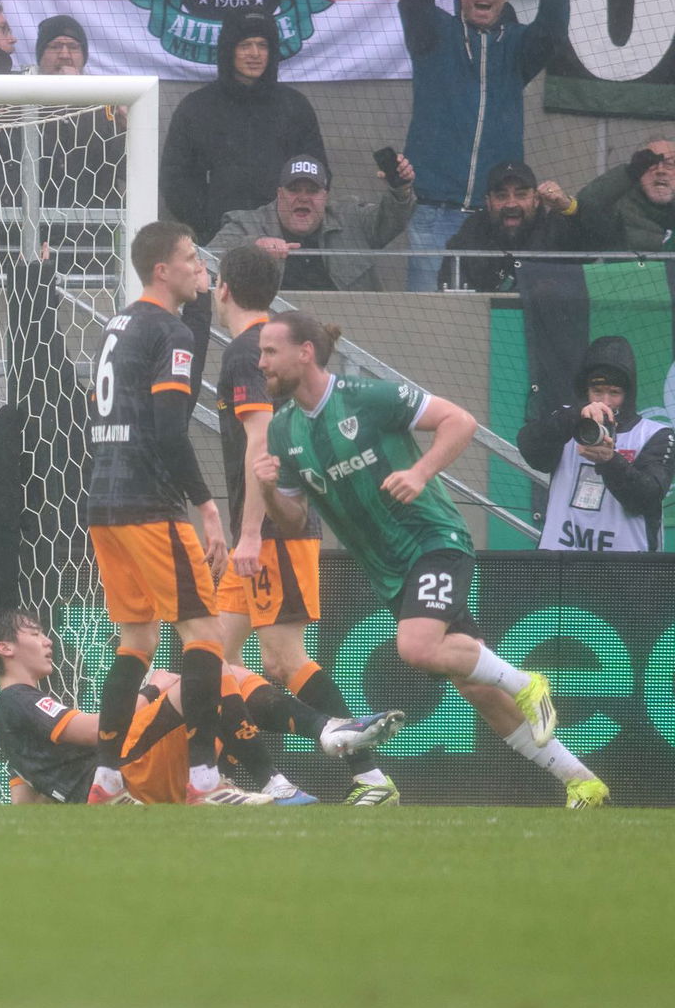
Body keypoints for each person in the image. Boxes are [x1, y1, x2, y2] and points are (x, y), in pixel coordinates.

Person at [254, 312, 611, 808]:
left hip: (433, 539)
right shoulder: (282, 430)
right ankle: (582, 781)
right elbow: (292, 522)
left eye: (270, 351)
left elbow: (460, 422)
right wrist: (270, 490)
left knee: (416, 648)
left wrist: (420, 472)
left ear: (305, 353)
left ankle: (529, 682)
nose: (261, 362)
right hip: (390, 573)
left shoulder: (365, 397)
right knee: (478, 690)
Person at [213, 245, 399, 804]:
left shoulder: (249, 351)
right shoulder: (259, 344)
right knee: (212, 661)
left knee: (281, 660)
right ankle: (254, 781)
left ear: (222, 287)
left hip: (272, 531)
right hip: (261, 531)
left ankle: (369, 777)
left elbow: (260, 440)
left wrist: (248, 531)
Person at [86, 222, 231, 805]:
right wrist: (207, 505)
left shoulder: (120, 322)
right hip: (150, 503)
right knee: (203, 632)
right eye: (192, 258)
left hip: (104, 500)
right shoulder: (167, 329)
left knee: (137, 639)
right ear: (162, 270)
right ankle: (203, 779)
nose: (202, 268)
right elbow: (172, 430)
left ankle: (105, 778)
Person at [0, 610, 404, 805]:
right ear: (6, 648)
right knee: (209, 668)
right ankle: (276, 772)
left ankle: (321, 733)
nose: (47, 640)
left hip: (135, 781)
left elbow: (25, 796)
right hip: (127, 777)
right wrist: (149, 690)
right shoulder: (17, 699)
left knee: (225, 674)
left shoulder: (14, 715)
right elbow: (94, 733)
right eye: (34, 633)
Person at [399, 0, 569, 291]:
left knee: (488, 324)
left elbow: (553, 28)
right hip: (434, 211)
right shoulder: (433, 35)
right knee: (429, 319)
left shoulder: (519, 47)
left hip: (495, 217)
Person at [161, 11, 327, 242]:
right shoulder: (196, 108)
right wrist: (211, 225)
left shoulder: (295, 107)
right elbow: (175, 180)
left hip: (286, 243)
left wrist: (289, 224)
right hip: (219, 240)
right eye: (245, 45)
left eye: (262, 45)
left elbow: (317, 173)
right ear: (229, 50)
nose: (255, 54)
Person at [518, 335, 674, 552]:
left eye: (614, 392)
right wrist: (574, 418)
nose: (605, 401)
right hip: (561, 563)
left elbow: (646, 498)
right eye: (597, 391)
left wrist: (610, 461)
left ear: (627, 394)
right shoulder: (566, 421)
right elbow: (530, 449)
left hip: (628, 568)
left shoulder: (654, 434)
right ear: (586, 391)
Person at [208, 153, 416, 293]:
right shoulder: (247, 223)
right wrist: (253, 248)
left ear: (325, 196)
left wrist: (401, 189)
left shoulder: (352, 219)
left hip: (349, 327)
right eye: (294, 190)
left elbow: (392, 218)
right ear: (279, 194)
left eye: (312, 191)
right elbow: (205, 260)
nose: (303, 198)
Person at [33, 16, 126, 275]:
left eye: (73, 47)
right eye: (55, 46)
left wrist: (81, 102)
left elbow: (123, 167)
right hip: (32, 234)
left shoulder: (107, 101)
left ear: (84, 57)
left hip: (91, 241)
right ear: (41, 55)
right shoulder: (23, 99)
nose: (64, 55)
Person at [440, 161, 581, 291]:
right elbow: (450, 284)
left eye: (521, 195)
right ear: (488, 203)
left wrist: (567, 206)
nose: (511, 204)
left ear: (536, 200)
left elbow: (588, 242)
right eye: (502, 196)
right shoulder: (473, 231)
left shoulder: (553, 227)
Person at [565, 139, 675, 252]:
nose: (661, 171)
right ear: (638, 171)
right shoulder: (618, 209)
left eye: (669, 164)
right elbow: (586, 204)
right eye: (651, 164)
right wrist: (630, 172)